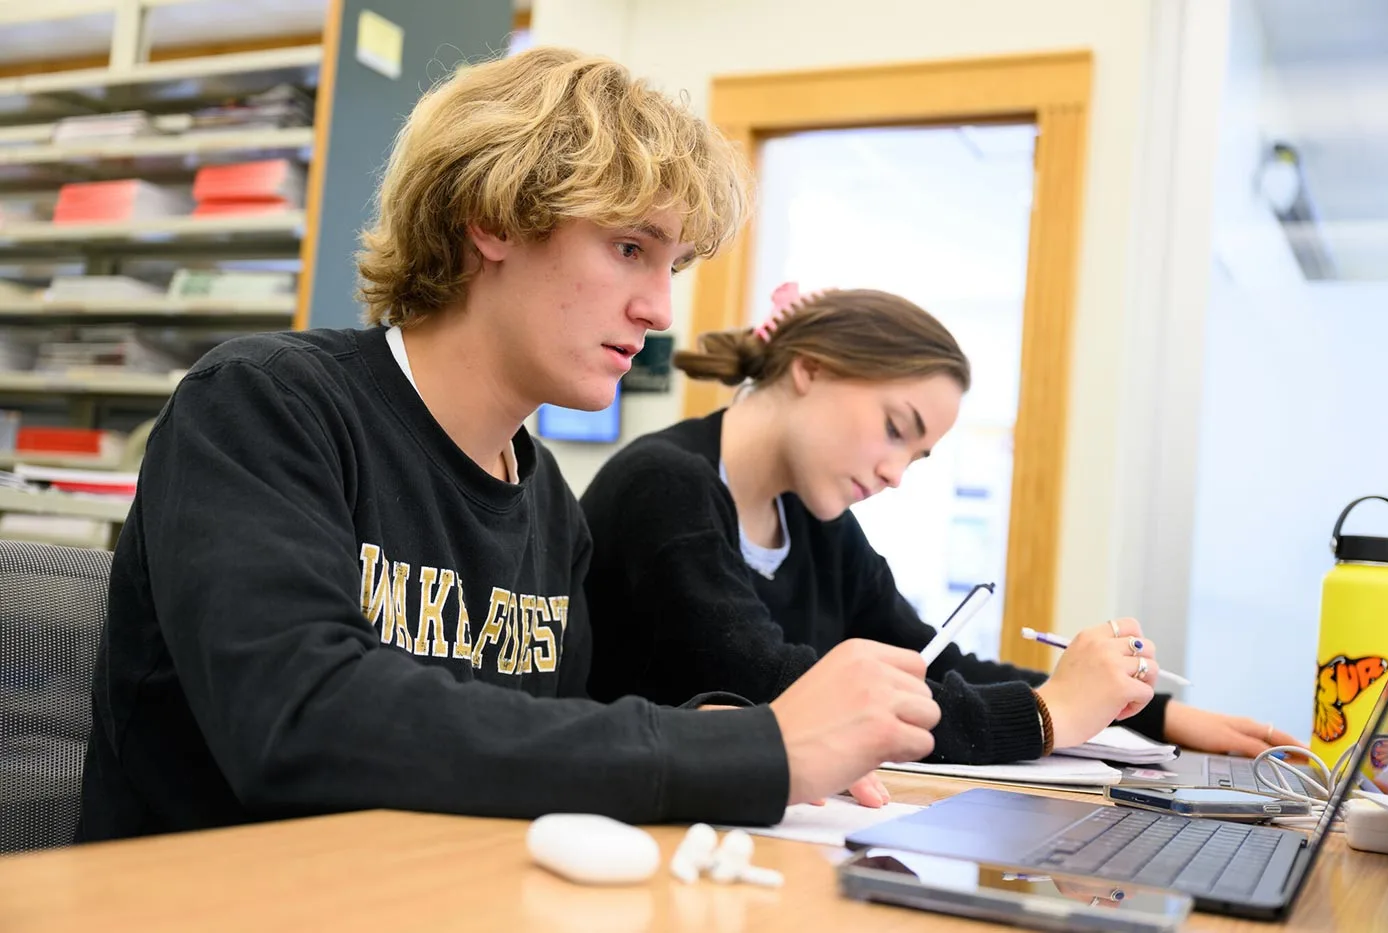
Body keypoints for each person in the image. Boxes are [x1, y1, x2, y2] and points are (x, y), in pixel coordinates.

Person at [75, 48, 942, 841]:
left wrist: (736, 732)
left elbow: (542, 746)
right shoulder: (267, 404)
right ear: (492, 219)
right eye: (629, 247)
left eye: (668, 266)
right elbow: (301, 719)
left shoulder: (549, 502)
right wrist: (755, 748)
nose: (660, 310)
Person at [581, 284, 1302, 764]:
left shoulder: (816, 521)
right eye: (897, 428)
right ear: (810, 367)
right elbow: (783, 688)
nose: (896, 473)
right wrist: (1048, 711)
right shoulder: (666, 488)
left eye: (917, 457)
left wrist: (1150, 715)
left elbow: (932, 660)